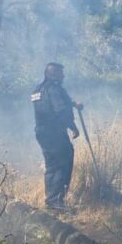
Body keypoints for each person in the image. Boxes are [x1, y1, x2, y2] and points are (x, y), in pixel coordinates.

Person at [31, 62, 81, 211]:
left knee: (52, 166)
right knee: (63, 163)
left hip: (41, 132)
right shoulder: (54, 88)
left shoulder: (37, 90)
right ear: (52, 74)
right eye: (60, 73)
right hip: (55, 132)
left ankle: (52, 200)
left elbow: (48, 105)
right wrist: (73, 127)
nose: (63, 76)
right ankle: (56, 201)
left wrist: (72, 103)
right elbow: (60, 110)